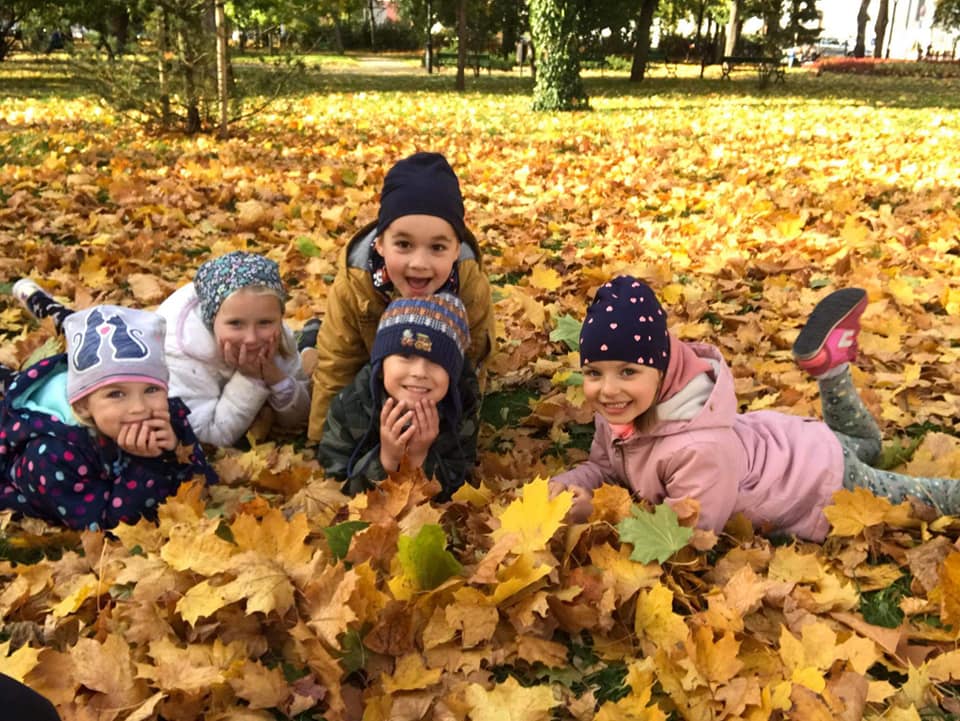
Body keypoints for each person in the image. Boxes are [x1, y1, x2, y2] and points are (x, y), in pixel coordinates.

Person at [550, 277, 960, 541]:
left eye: (627, 371)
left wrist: (601, 517)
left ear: (662, 369)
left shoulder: (697, 447)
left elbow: (689, 533)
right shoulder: (621, 411)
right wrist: (566, 486)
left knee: (921, 498)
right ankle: (831, 367)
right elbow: (606, 467)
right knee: (866, 444)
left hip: (819, 480)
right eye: (593, 372)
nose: (608, 390)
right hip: (794, 443)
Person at [307, 151, 495, 442]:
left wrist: (459, 433)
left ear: (456, 249)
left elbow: (474, 361)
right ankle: (309, 337)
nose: (419, 263)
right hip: (375, 368)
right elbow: (337, 364)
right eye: (404, 245)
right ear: (380, 243)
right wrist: (322, 439)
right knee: (322, 360)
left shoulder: (469, 284)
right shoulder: (355, 284)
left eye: (437, 248)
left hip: (429, 374)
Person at [0, 305, 216, 530]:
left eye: (151, 389)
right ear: (82, 406)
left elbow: (206, 485)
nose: (139, 408)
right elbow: (103, 528)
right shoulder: (52, 455)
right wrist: (145, 465)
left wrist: (175, 452)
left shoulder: (166, 418)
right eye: (116, 394)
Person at [317, 293, 480, 501]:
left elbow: (459, 487)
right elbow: (335, 488)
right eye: (406, 356)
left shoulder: (460, 408)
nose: (419, 372)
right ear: (381, 365)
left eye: (436, 361)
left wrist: (418, 457)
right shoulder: (350, 406)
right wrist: (387, 459)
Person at [153, 251, 311, 446]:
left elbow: (301, 417)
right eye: (236, 323)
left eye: (265, 322)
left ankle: (310, 338)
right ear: (212, 320)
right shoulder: (182, 351)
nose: (251, 339)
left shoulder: (276, 337)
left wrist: (277, 378)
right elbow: (205, 436)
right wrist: (249, 378)